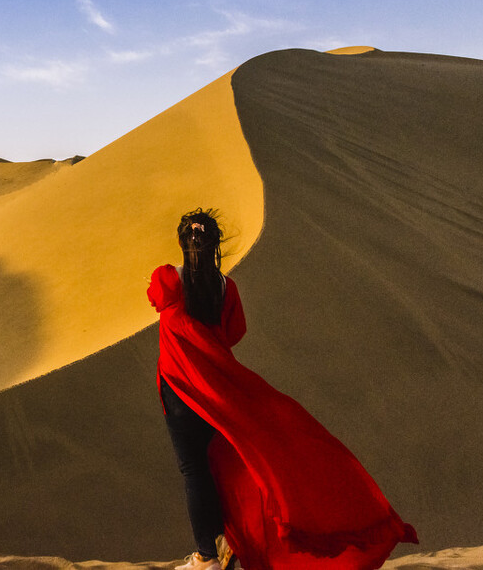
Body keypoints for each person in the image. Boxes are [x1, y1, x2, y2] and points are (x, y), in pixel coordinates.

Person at [149, 209, 417, 570]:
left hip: (179, 390)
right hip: (221, 392)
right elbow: (234, 333)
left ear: (183, 242)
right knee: (233, 465)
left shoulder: (168, 278)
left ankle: (207, 557)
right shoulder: (227, 288)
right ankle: (225, 542)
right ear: (216, 245)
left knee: (194, 470)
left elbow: (156, 300)